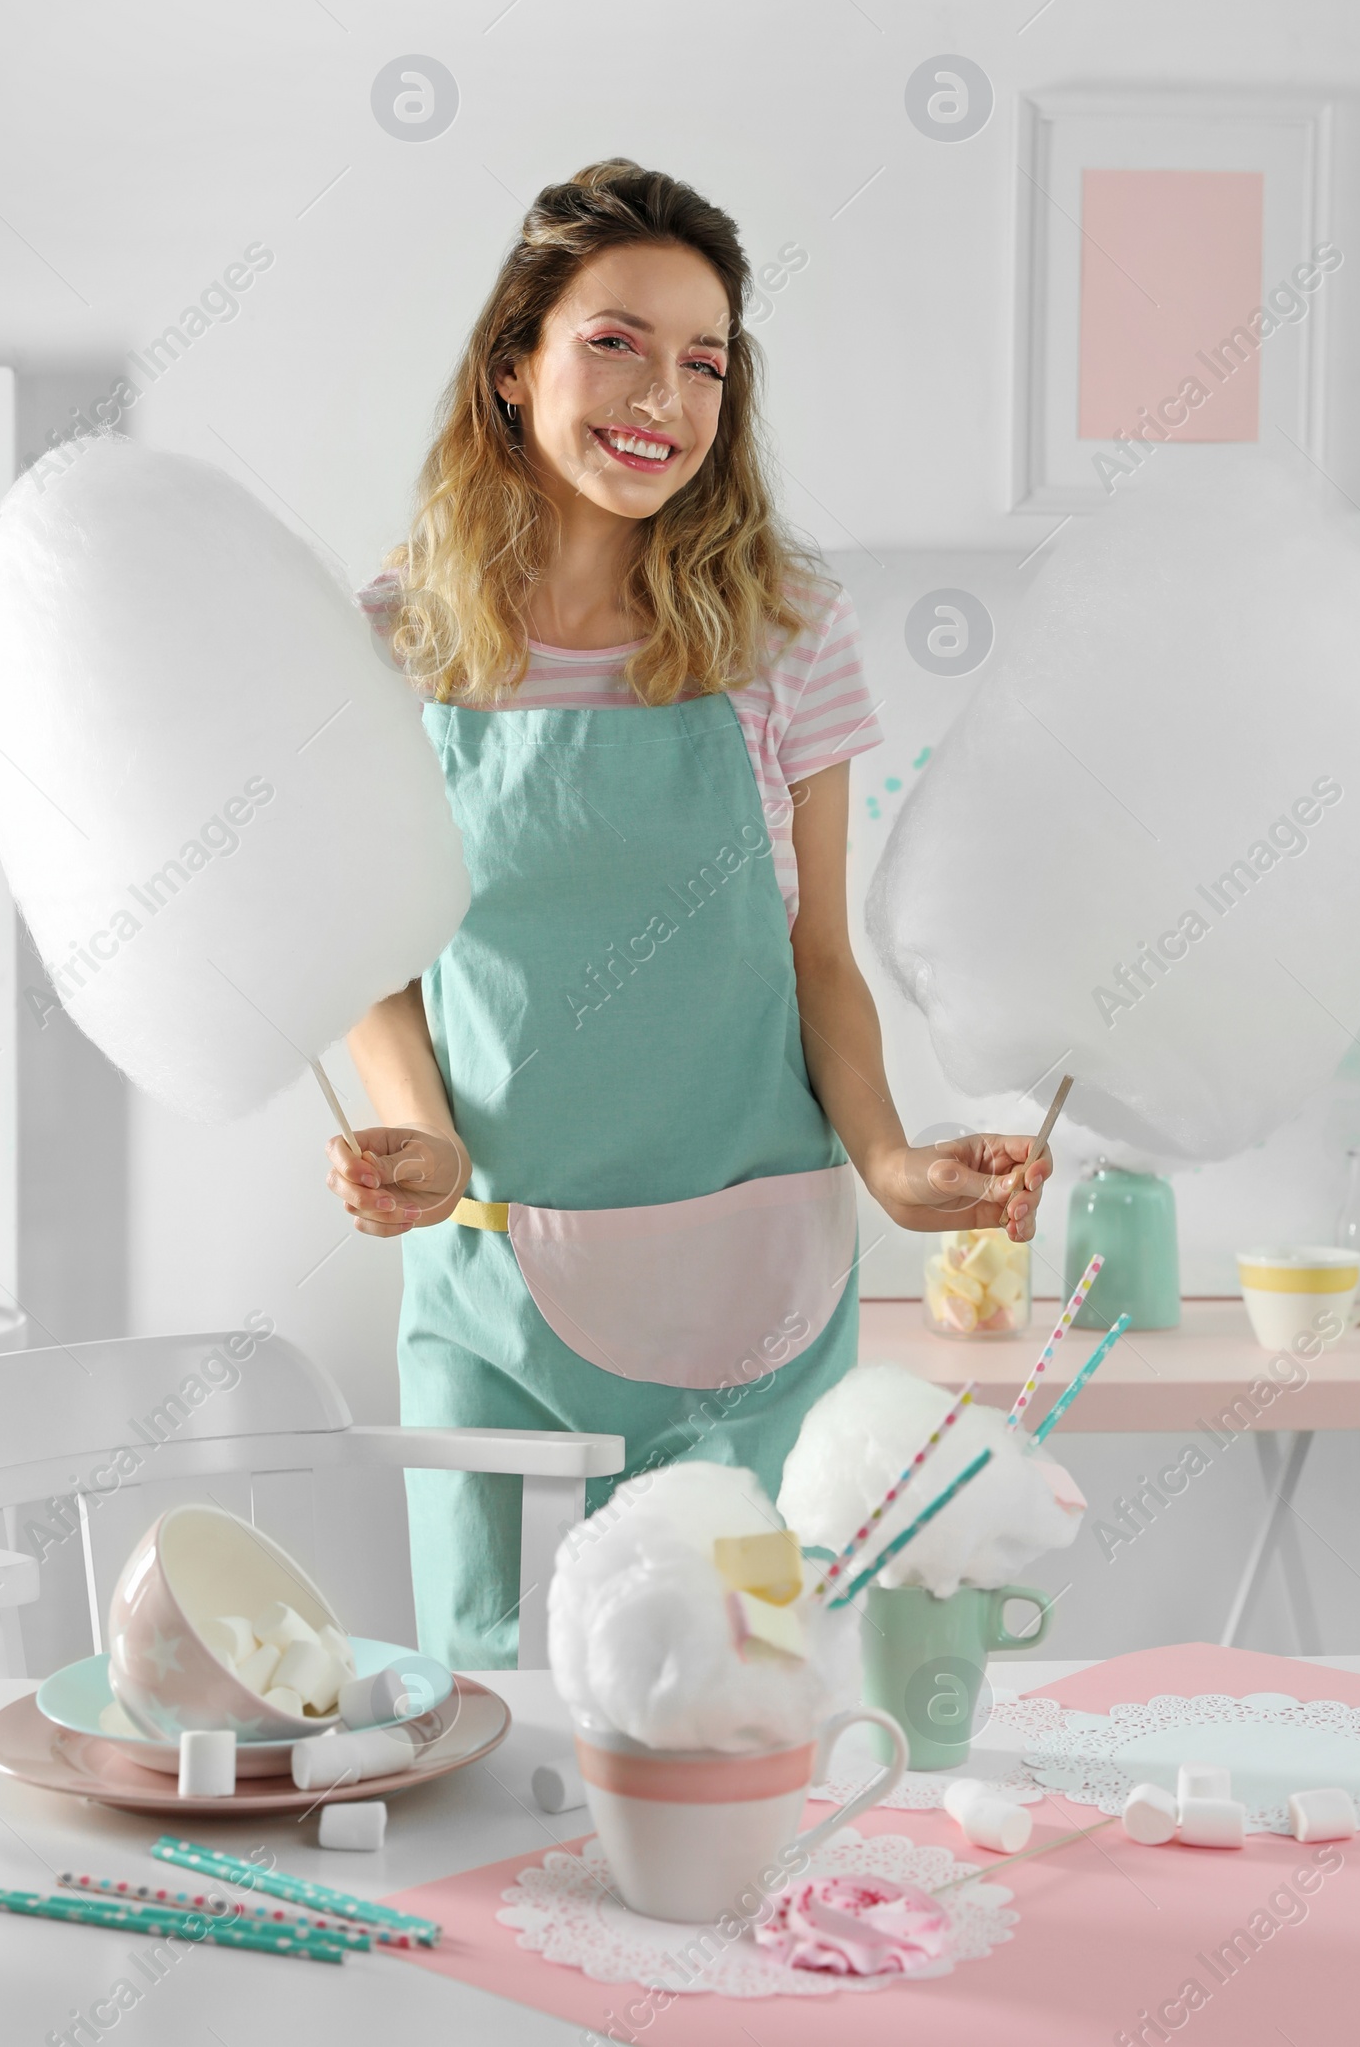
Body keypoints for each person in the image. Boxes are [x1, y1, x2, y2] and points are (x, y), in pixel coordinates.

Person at [328, 159, 1052, 1666]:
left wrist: (892, 1152)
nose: (666, 389)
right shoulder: (394, 636)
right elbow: (370, 955)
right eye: (617, 340)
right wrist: (428, 1130)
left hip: (753, 1281)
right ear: (512, 367)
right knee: (481, 1699)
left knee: (727, 1708)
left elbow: (818, 959)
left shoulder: (787, 628)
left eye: (706, 358)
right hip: (486, 1276)